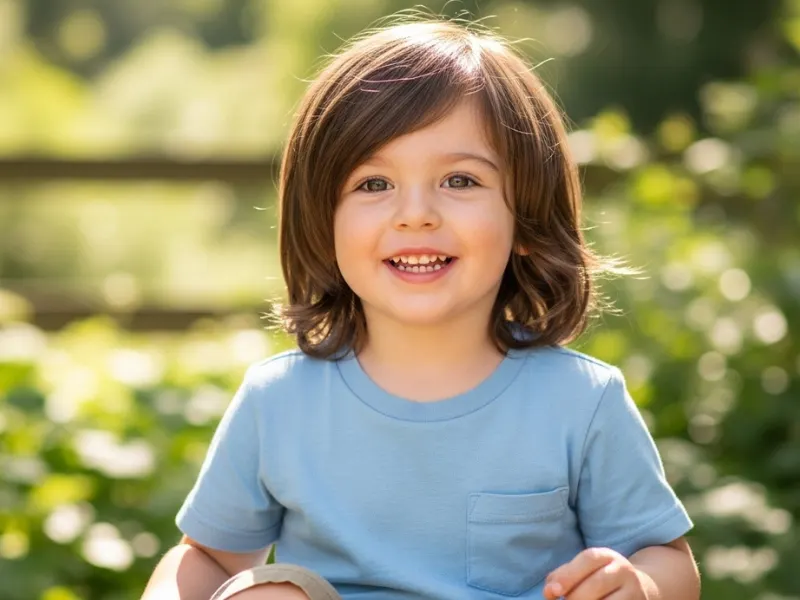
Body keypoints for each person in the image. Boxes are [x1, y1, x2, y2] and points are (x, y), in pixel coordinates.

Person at [141, 17, 700, 600]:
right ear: (321, 222)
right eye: (373, 185)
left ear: (527, 220)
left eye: (460, 180)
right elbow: (205, 557)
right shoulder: (279, 401)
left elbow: (668, 560)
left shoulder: (581, 403)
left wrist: (638, 584)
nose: (416, 214)